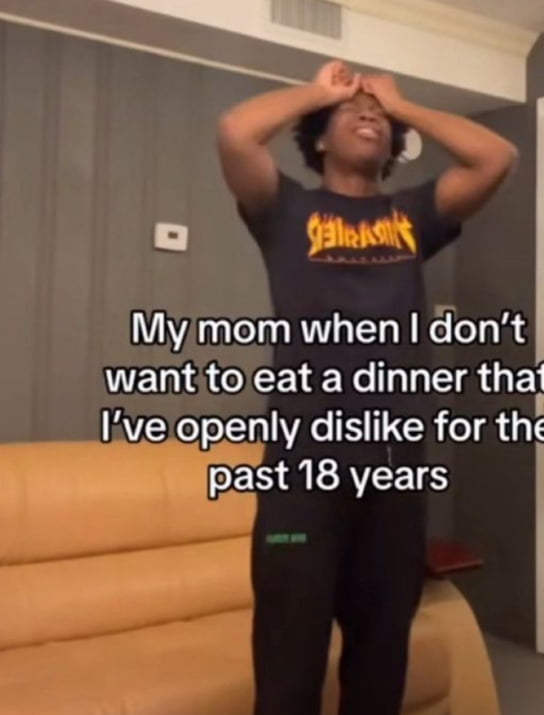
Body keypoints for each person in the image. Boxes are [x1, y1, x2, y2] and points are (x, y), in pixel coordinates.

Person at [217, 60, 517, 715]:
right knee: (288, 666)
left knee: (381, 665)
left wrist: (402, 105)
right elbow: (235, 132)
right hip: (301, 485)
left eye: (378, 116)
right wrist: (319, 93)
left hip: (394, 480)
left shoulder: (413, 215)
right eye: (352, 112)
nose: (368, 115)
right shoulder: (285, 210)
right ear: (320, 138)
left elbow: (497, 155)